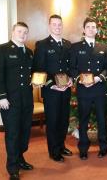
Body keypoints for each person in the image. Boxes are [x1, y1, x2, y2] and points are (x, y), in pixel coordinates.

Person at [0, 22, 34, 180]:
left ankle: (20, 158)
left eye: (25, 32)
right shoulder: (1, 49)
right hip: (10, 101)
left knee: (24, 132)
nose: (23, 34)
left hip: (27, 100)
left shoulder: (29, 52)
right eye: (20, 31)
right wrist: (0, 96)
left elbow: (33, 74)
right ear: (13, 32)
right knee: (13, 134)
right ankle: (13, 167)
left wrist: (37, 80)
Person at [33, 14, 73, 163]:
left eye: (59, 24)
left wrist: (70, 79)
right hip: (51, 91)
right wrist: (52, 84)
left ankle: (61, 146)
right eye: (54, 24)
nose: (57, 27)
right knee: (53, 121)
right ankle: (53, 151)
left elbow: (70, 67)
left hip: (66, 89)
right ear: (49, 26)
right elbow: (38, 69)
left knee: (64, 120)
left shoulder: (68, 44)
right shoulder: (42, 44)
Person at [69, 17, 107, 160]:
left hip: (99, 89)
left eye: (94, 27)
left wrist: (99, 78)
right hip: (84, 90)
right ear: (84, 29)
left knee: (101, 119)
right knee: (84, 119)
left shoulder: (103, 47)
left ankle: (104, 147)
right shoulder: (76, 47)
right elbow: (72, 69)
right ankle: (83, 148)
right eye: (89, 27)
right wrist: (80, 79)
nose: (91, 29)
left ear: (97, 30)